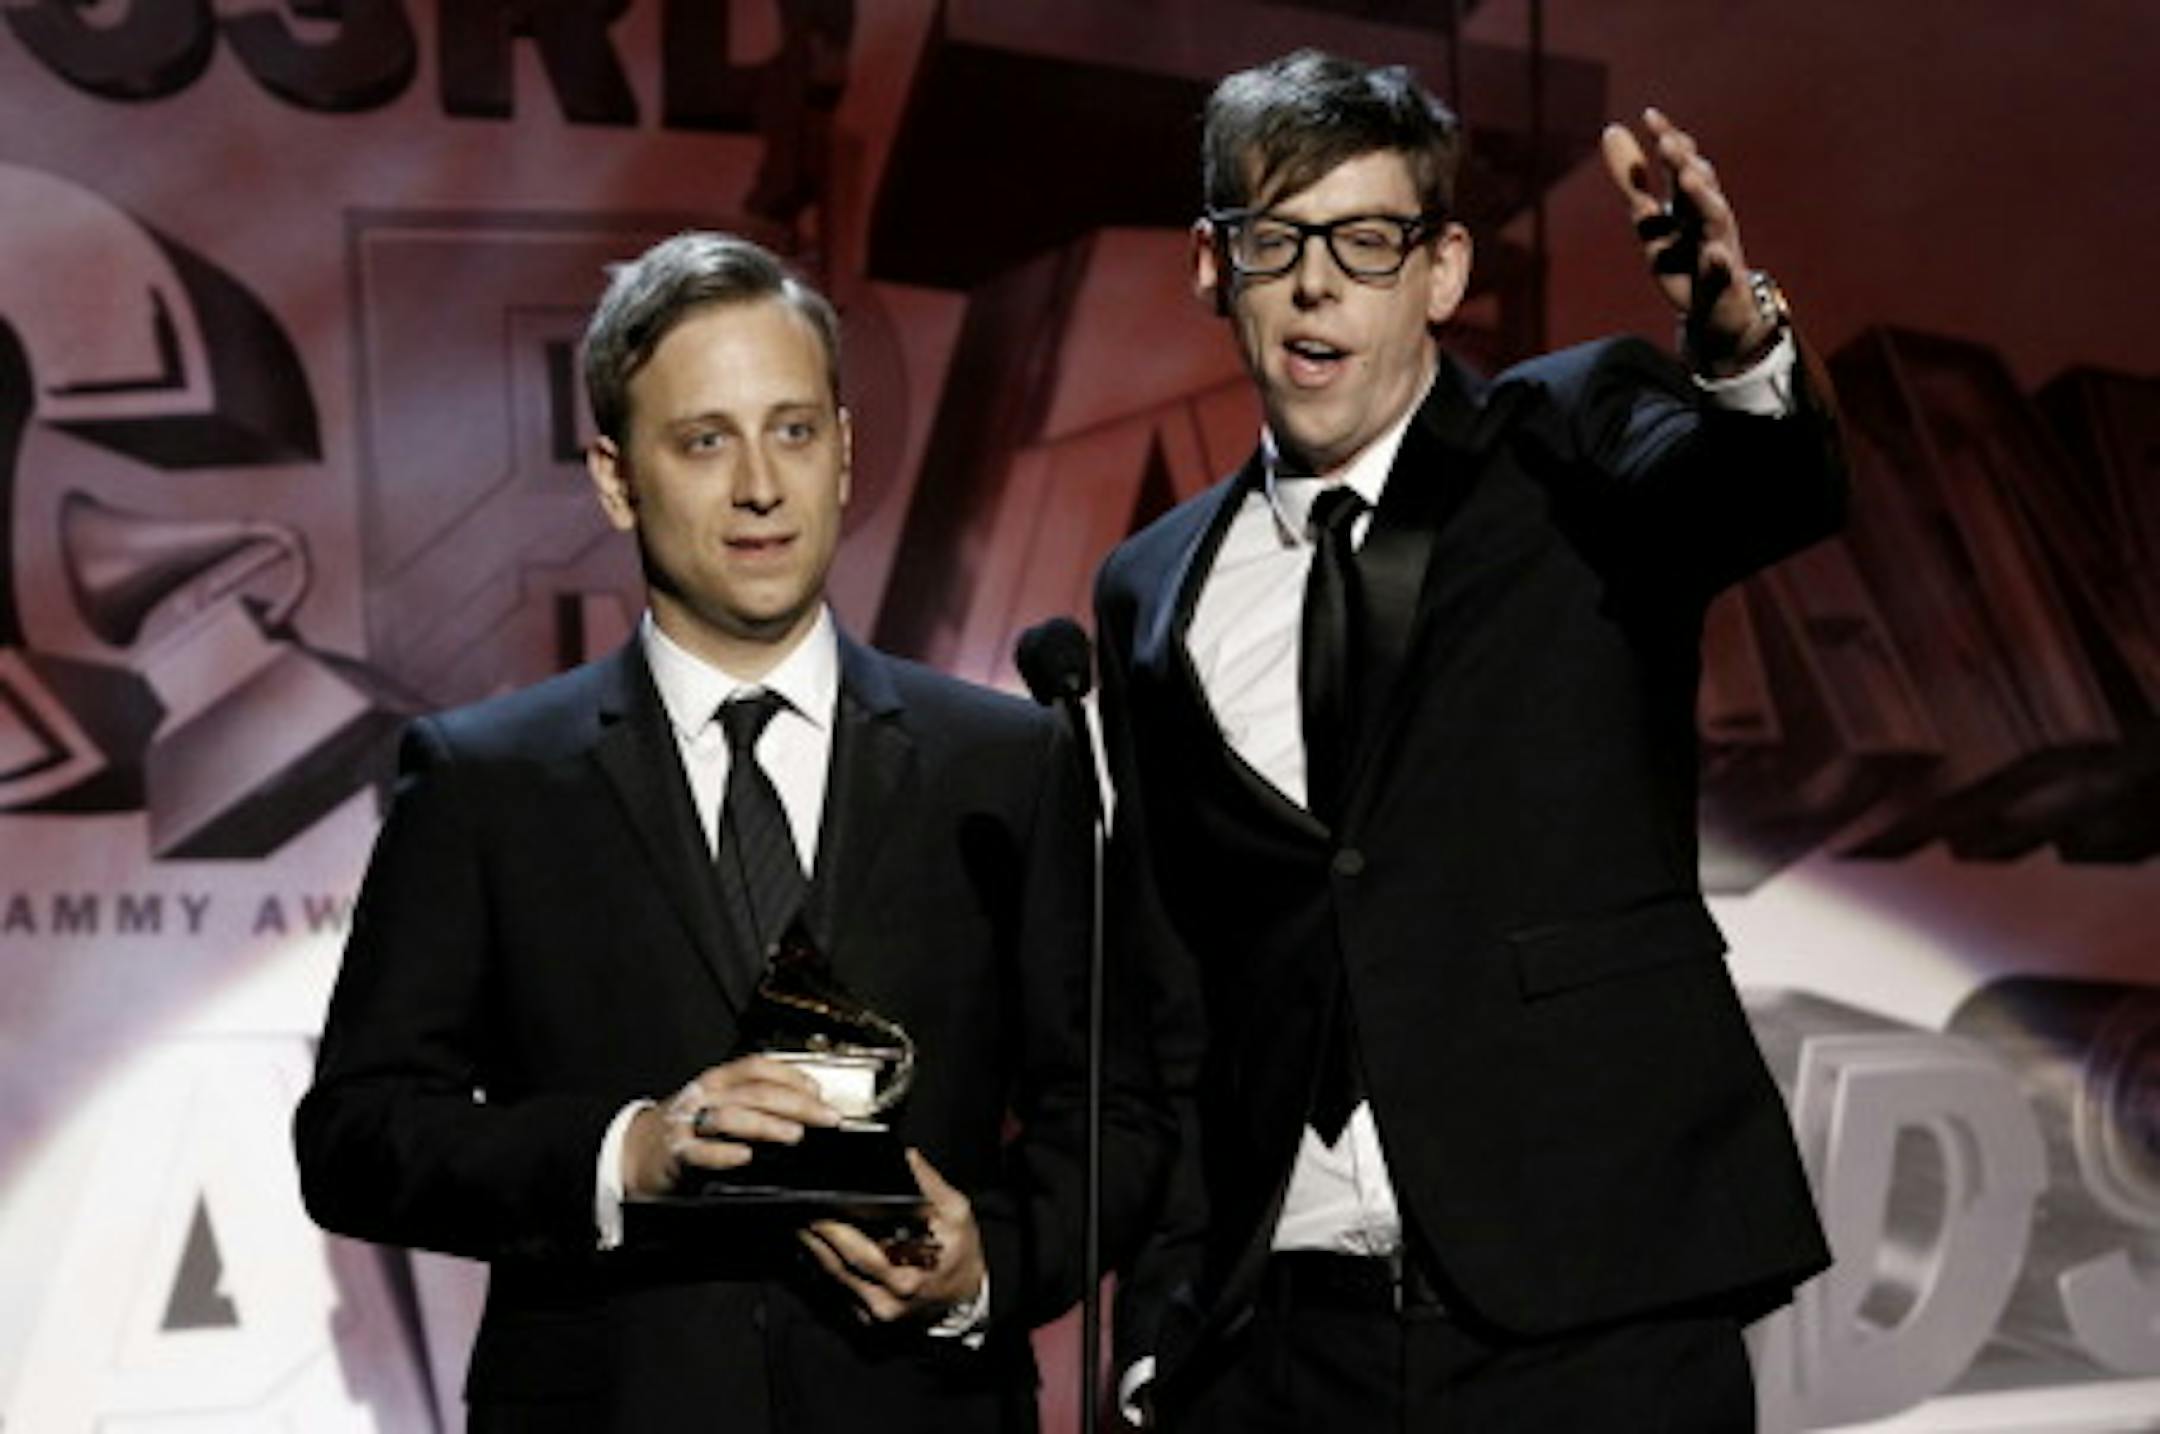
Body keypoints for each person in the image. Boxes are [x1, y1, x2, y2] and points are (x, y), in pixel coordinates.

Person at [295, 231, 1165, 1432]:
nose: (761, 483)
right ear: (614, 477)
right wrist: (627, 1155)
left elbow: (1120, 1109)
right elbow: (356, 1134)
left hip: (922, 1407)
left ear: (846, 453)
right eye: (705, 440)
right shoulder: (487, 780)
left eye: (794, 430)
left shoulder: (1007, 762)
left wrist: (991, 1264)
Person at [1094, 49, 1842, 1432]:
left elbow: (1761, 489)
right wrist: (1160, 1322)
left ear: (1441, 272)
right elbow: (1175, 988)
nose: (1318, 284)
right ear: (1215, 267)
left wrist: (1736, 345)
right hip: (1280, 1340)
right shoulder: (1151, 585)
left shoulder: (1567, 436)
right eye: (1276, 241)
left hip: (1588, 1318)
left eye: (1367, 242)